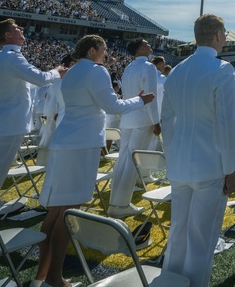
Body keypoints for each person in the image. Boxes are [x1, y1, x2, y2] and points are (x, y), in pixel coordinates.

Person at [34, 35, 152, 287]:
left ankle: (42, 275)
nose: (106, 53)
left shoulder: (74, 70)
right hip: (80, 144)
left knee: (56, 210)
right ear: (92, 50)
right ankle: (54, 277)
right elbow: (112, 106)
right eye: (104, 48)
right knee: (68, 212)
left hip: (66, 140)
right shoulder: (97, 71)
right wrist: (141, 100)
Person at [0, 19, 63, 240]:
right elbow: (41, 78)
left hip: (3, 124)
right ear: (7, 35)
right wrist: (57, 70)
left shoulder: (6, 57)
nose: (21, 30)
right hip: (7, 125)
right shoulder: (12, 56)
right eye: (17, 29)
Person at [161, 14, 235, 287]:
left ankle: (171, 281)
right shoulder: (222, 69)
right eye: (225, 33)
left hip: (179, 164)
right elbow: (227, 124)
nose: (226, 38)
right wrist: (231, 168)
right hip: (209, 166)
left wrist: (172, 157)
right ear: (217, 35)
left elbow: (167, 122)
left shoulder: (177, 70)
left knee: (179, 231)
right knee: (201, 239)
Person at [108, 38, 161, 218]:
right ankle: (120, 205)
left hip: (128, 118)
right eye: (146, 44)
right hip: (142, 119)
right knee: (132, 161)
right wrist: (156, 121)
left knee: (123, 159)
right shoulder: (149, 67)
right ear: (140, 48)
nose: (149, 45)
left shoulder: (129, 67)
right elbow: (150, 97)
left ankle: (115, 201)